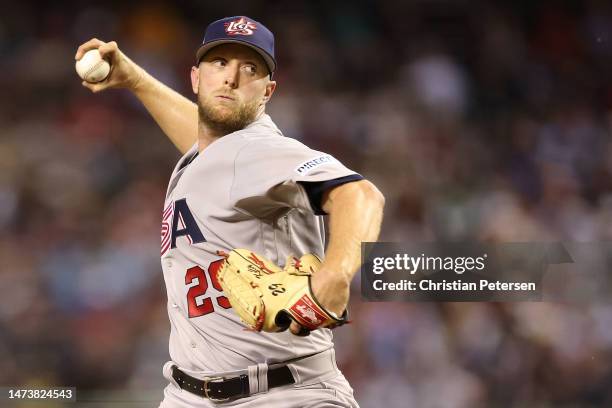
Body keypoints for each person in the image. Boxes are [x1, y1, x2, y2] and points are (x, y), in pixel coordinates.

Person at [75, 15, 384, 408]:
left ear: (268, 90)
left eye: (249, 69)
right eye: (219, 63)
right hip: (187, 396)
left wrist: (337, 272)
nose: (231, 78)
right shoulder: (214, 155)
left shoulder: (263, 150)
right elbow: (210, 144)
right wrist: (136, 79)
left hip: (285, 395)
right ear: (195, 78)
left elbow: (361, 194)